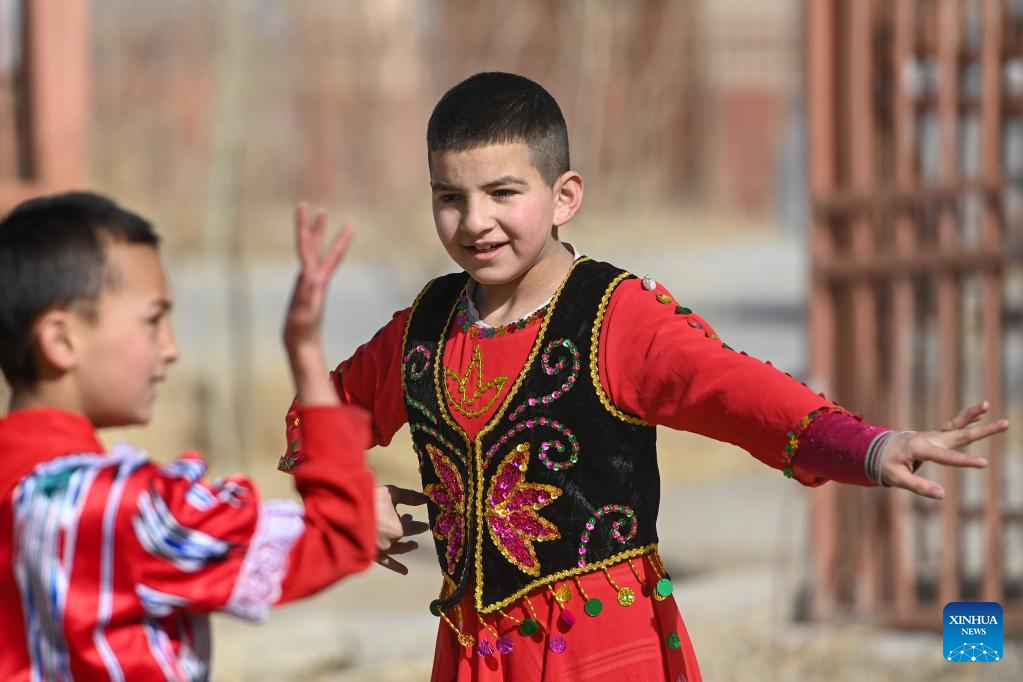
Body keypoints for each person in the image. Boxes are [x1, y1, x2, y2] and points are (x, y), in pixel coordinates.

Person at [279, 72, 1010, 681]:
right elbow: (318, 418)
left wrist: (872, 448)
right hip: (471, 655)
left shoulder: (615, 316)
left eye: (503, 193)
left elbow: (740, 393)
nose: (475, 221)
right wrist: (346, 495)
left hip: (603, 651)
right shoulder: (424, 328)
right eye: (450, 197)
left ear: (565, 196)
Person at [0, 192, 384, 680]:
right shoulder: (126, 508)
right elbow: (336, 536)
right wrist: (306, 353)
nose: (171, 348)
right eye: (153, 320)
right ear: (61, 340)